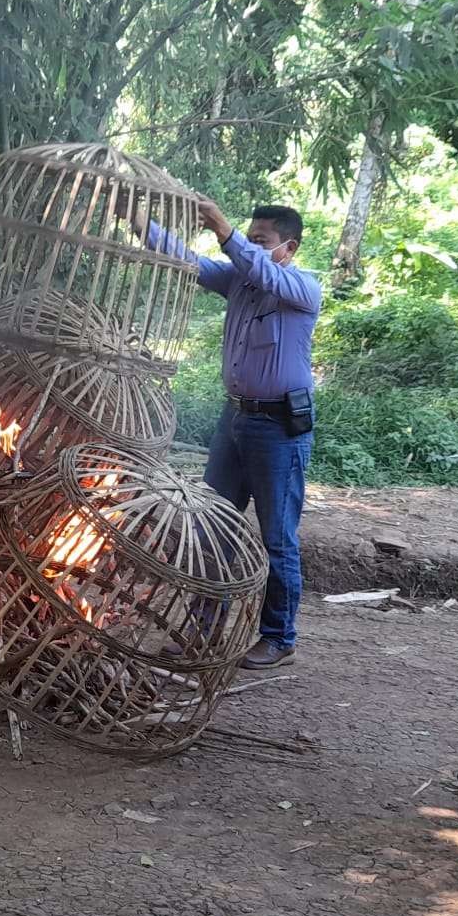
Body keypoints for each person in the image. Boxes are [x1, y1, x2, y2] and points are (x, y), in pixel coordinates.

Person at [148, 201, 322, 668]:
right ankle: (202, 631)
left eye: (261, 240)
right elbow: (189, 262)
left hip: (279, 429)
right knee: (214, 528)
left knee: (277, 538)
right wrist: (139, 221)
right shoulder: (240, 282)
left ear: (289, 248)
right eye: (248, 237)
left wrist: (224, 230)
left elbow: (253, 267)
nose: (250, 246)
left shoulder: (301, 287)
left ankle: (279, 637)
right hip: (236, 420)